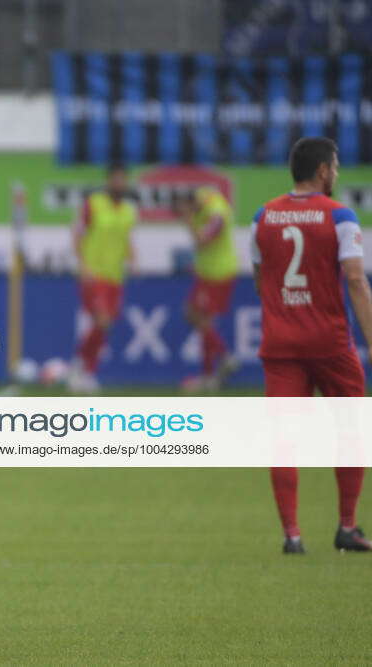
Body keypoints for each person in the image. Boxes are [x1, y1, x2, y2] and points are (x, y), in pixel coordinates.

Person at [252, 136, 372, 554]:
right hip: (329, 343)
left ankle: (292, 535)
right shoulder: (341, 216)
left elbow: (260, 276)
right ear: (323, 171)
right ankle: (347, 527)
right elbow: (356, 280)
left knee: (284, 438)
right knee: (351, 431)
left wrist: (285, 311)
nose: (336, 174)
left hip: (281, 343)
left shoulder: (262, 216)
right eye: (335, 167)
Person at [68, 163, 137, 394]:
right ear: (109, 181)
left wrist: (132, 257)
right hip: (94, 272)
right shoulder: (94, 204)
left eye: (122, 179)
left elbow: (124, 238)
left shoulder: (128, 210)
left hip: (115, 276)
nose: (119, 184)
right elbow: (78, 233)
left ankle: (84, 368)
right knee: (102, 320)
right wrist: (83, 264)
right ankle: (82, 367)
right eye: (115, 179)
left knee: (104, 326)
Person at [174, 187, 239, 392]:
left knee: (201, 319)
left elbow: (202, 240)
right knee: (197, 317)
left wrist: (188, 221)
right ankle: (213, 371)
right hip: (207, 272)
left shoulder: (216, 213)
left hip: (218, 273)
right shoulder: (202, 196)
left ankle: (220, 361)